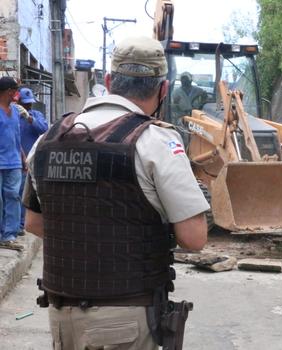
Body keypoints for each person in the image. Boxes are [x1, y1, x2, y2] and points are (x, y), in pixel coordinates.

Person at [23, 36, 209, 350]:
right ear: (163, 90)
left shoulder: (49, 140)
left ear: (108, 81)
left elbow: (33, 223)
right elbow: (194, 237)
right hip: (127, 320)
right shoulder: (157, 143)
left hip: (60, 316)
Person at [17, 87, 48, 234]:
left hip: (31, 162)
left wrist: (29, 118)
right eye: (25, 103)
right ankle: (13, 224)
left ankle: (22, 223)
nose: (28, 106)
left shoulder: (36, 115)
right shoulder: (12, 115)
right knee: (12, 194)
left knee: (26, 194)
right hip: (14, 160)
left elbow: (44, 129)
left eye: (30, 103)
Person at [0, 77, 24, 243]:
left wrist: (22, 156)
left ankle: (10, 234)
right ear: (9, 91)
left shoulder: (15, 111)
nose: (17, 94)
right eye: (15, 90)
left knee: (14, 196)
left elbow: (16, 137)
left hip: (14, 162)